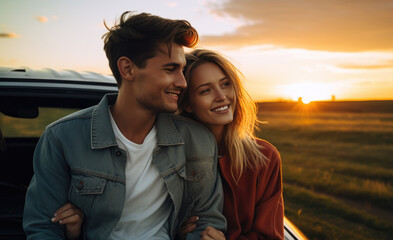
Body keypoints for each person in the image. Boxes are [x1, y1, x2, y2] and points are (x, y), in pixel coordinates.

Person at [23, 12, 226, 240]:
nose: (182, 82)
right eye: (170, 69)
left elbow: (207, 219)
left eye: (182, 69)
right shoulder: (61, 138)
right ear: (128, 69)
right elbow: (43, 228)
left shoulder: (197, 139)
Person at [178, 49, 284, 239]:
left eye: (225, 84)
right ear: (187, 104)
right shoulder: (172, 158)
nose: (221, 96)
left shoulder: (264, 157)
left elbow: (270, 236)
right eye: (205, 90)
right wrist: (178, 233)